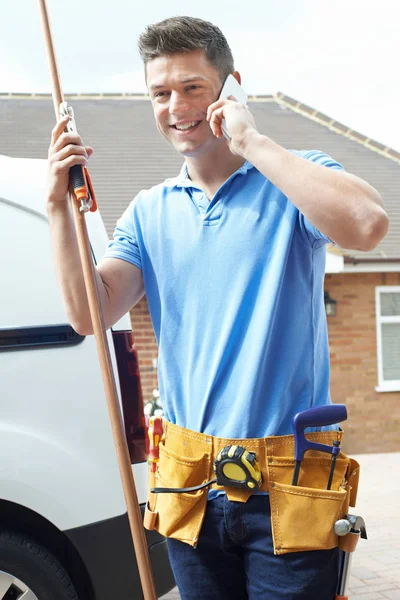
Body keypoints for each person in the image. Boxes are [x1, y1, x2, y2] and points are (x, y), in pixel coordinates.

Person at [47, 16, 388, 600]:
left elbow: (368, 225)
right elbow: (89, 313)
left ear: (231, 87)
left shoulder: (291, 180)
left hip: (288, 489)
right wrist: (59, 207)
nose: (175, 106)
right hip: (191, 488)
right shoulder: (150, 212)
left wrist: (251, 141)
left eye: (191, 88)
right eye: (160, 93)